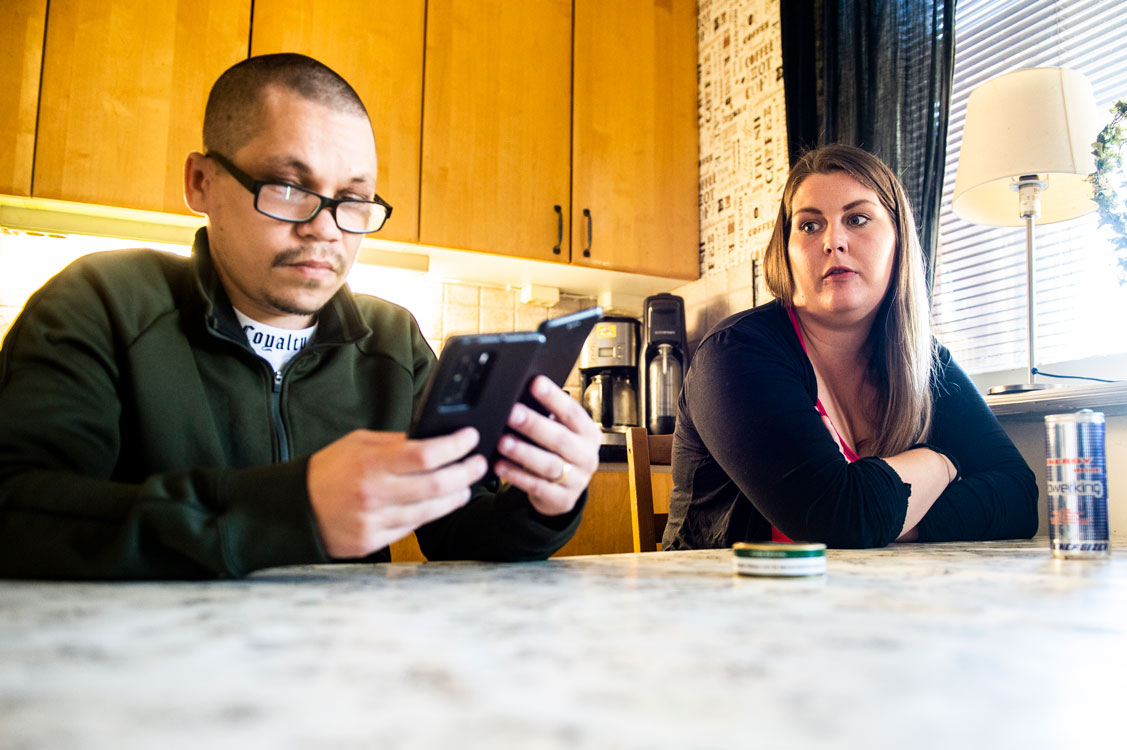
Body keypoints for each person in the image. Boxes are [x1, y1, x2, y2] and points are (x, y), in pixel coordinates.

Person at [0, 53, 600, 579]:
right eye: (288, 187)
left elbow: (459, 530)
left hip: (338, 676)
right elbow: (19, 512)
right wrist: (291, 509)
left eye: (355, 201)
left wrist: (543, 504)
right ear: (201, 181)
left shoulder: (394, 341)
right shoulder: (103, 302)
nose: (324, 227)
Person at [663, 144, 1038, 550]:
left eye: (857, 219)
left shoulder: (922, 360)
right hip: (719, 601)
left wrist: (885, 518)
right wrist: (944, 462)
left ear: (898, 241)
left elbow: (1019, 499)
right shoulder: (734, 356)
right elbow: (839, 520)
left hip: (859, 598)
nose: (833, 241)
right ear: (784, 252)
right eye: (809, 226)